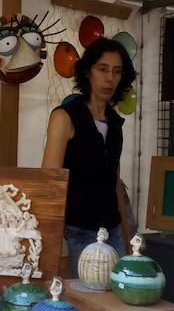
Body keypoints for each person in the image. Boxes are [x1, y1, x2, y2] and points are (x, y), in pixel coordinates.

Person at [41, 37, 136, 274]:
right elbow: (49, 183)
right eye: (102, 69)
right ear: (87, 72)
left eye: (116, 71)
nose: (109, 78)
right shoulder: (65, 117)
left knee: (118, 289)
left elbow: (114, 183)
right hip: (75, 232)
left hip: (113, 229)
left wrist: (126, 237)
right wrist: (51, 243)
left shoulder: (115, 122)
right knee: (83, 294)